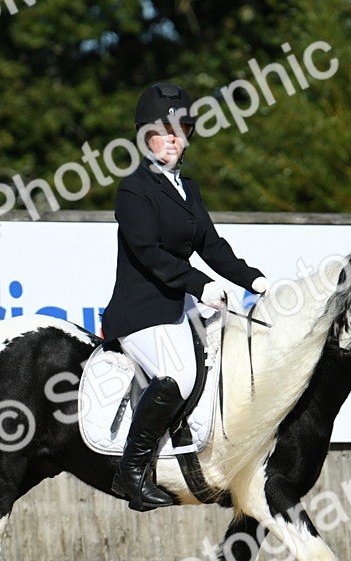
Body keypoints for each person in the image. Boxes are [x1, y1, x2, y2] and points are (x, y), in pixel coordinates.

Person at [100, 82, 269, 511]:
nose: (173, 137)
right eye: (163, 129)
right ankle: (131, 472)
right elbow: (150, 254)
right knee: (179, 376)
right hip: (142, 312)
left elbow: (211, 245)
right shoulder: (133, 189)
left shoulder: (187, 189)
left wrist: (254, 280)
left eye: (182, 127)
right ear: (145, 136)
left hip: (180, 306)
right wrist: (200, 285)